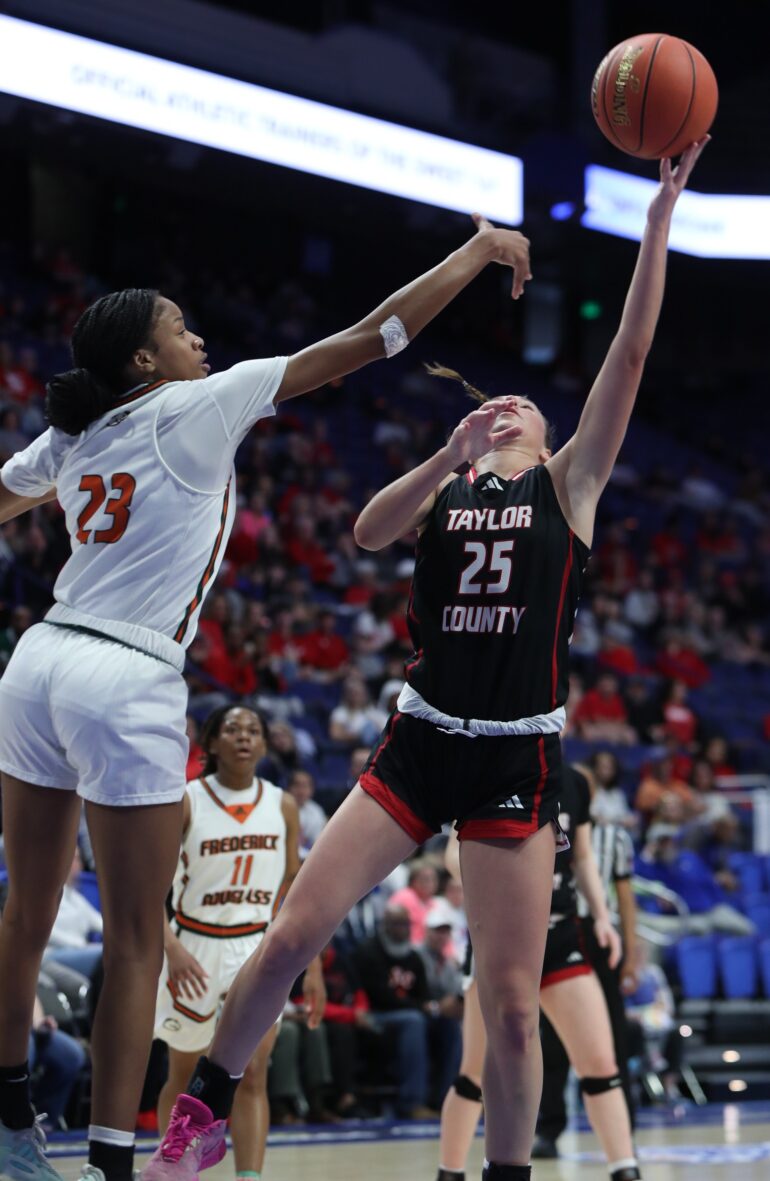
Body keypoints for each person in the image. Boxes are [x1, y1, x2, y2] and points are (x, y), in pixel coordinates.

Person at [149, 142, 707, 1181]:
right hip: (418, 738)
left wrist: (658, 222)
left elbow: (627, 352)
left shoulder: (568, 486)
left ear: (545, 437)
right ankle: (201, 1112)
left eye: (524, 410)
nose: (508, 410)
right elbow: (364, 530)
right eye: (495, 409)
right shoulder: (449, 488)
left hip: (510, 758)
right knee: (290, 935)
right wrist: (442, 455)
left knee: (504, 1005)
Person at [0, 210, 532, 1181]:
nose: (196, 335)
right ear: (145, 360)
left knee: (24, 913)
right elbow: (374, 337)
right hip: (123, 671)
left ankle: (6, 1116)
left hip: (35, 660)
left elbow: (5, 493)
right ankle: (116, 1157)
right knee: (130, 937)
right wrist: (473, 253)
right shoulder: (200, 403)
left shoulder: (76, 430)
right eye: (177, 327)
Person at [436, 766, 641, 1181]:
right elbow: (451, 856)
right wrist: (495, 877)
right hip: (501, 936)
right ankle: (450, 1173)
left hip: (561, 934)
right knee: (473, 1072)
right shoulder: (489, 767)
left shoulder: (575, 781)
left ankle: (626, 1171)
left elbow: (582, 856)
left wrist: (602, 917)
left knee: (601, 1064)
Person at [154, 704, 324, 1181]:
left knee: (252, 1073)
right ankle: (172, 1167)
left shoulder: (282, 804)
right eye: (232, 729)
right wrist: (171, 949)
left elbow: (295, 890)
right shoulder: (188, 799)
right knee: (186, 1075)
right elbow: (151, 888)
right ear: (210, 744)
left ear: (266, 745)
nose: (244, 737)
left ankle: (249, 1175)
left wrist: (311, 967)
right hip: (195, 945)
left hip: (257, 947)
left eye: (253, 730)